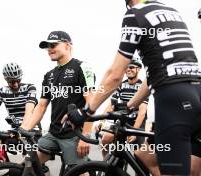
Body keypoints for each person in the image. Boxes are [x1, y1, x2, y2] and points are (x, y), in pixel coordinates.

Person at [67, 0, 201, 175]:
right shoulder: (172, 11)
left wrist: (86, 111)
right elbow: (154, 74)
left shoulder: (135, 13)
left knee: (173, 171)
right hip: (196, 93)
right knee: (145, 154)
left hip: (173, 100)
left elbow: (115, 74)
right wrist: (129, 106)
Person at [21, 31, 96, 172]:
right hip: (53, 134)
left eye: (53, 45)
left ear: (67, 45)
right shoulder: (49, 75)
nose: (49, 49)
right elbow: (41, 106)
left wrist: (85, 136)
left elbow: (91, 103)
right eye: (47, 46)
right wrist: (25, 129)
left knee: (78, 173)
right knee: (29, 164)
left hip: (74, 135)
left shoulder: (82, 67)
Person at [0, 63, 38, 162]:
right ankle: (7, 168)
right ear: (6, 79)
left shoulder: (30, 88)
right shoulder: (2, 91)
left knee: (30, 164)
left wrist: (23, 128)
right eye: (12, 81)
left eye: (18, 80)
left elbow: (29, 110)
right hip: (14, 131)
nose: (16, 84)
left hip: (31, 129)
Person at [97, 58, 147, 159]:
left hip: (137, 121)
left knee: (140, 157)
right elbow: (110, 105)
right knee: (105, 139)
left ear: (139, 69)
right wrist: (101, 120)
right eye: (126, 68)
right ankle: (106, 164)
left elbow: (142, 112)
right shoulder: (121, 84)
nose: (128, 69)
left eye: (132, 67)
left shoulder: (142, 86)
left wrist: (135, 130)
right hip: (123, 120)